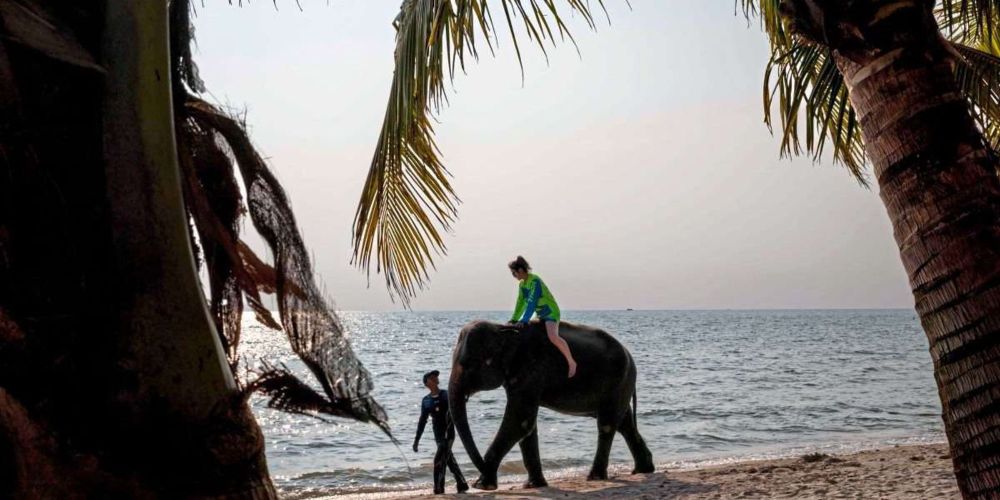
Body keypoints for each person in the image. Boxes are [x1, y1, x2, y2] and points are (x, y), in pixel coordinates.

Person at [508, 256, 578, 378]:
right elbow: (521, 303)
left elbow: (532, 302)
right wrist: (514, 319)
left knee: (552, 336)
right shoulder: (522, 285)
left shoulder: (535, 281)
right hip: (540, 314)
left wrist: (524, 320)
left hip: (550, 313)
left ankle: (571, 362)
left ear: (520, 270)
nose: (514, 276)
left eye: (514, 273)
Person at [413, 370, 468, 495]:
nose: (435, 379)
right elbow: (422, 421)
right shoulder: (426, 401)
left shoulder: (446, 394)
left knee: (439, 459)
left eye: (436, 377)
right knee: (448, 459)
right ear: (427, 383)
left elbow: (458, 402)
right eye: (432, 377)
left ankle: (438, 489)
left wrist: (463, 397)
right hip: (438, 435)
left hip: (449, 434)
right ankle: (462, 484)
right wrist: (416, 440)